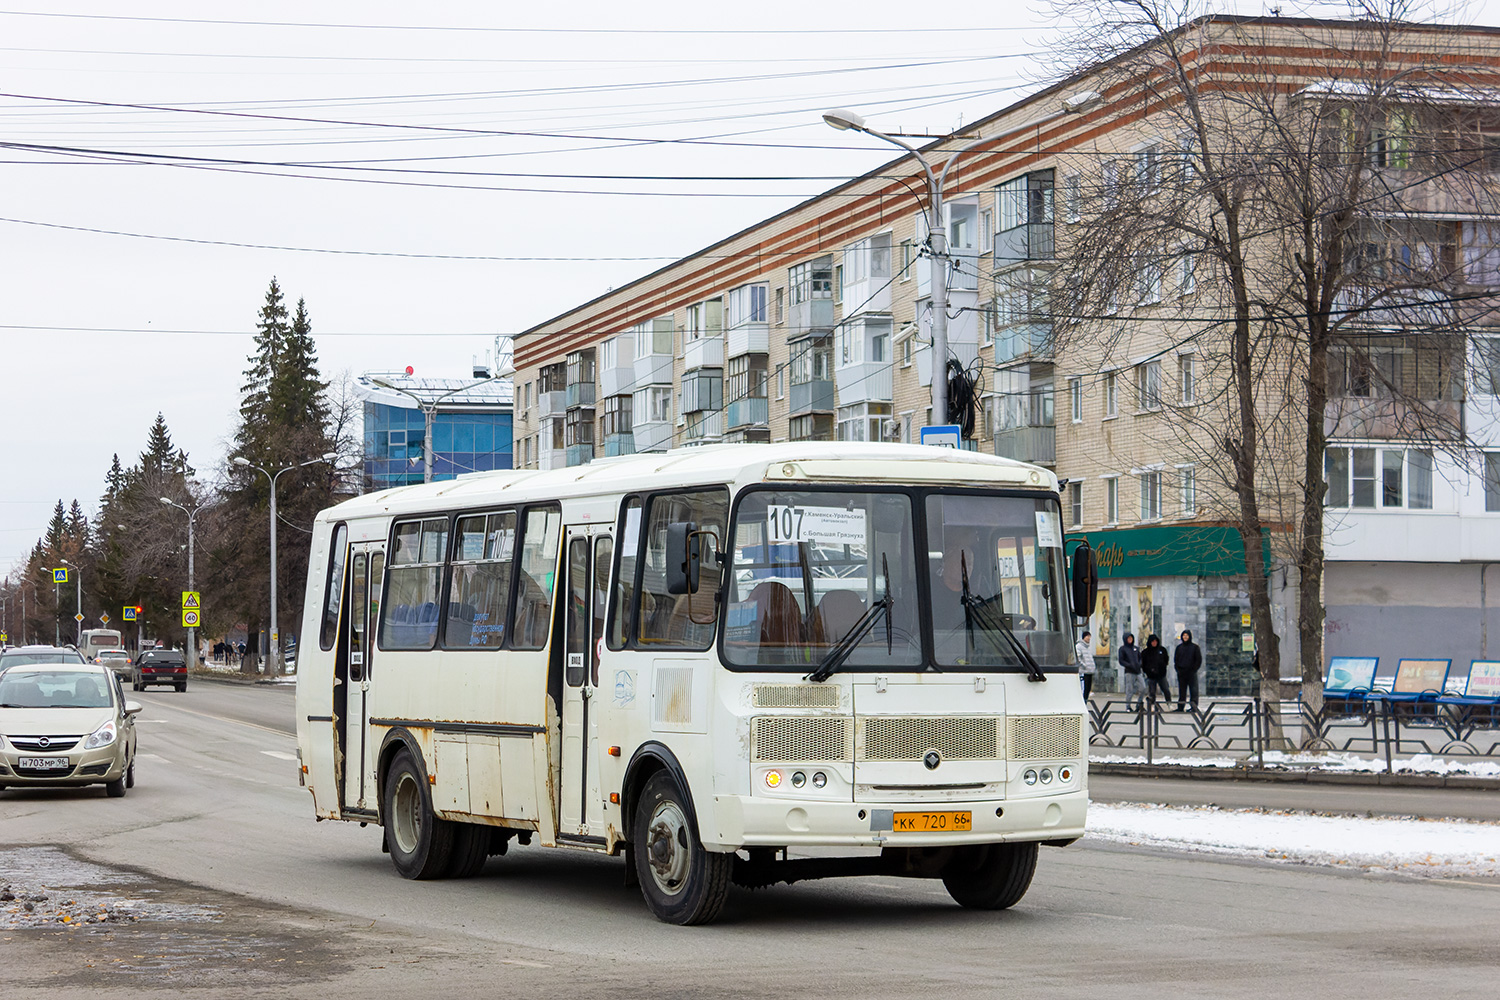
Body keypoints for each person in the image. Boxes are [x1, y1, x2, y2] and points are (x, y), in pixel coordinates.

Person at [1174, 629, 1203, 711]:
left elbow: (1198, 660)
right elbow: (1176, 659)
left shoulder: (1195, 647)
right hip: (1182, 672)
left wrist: (1194, 669)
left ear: (1190, 637)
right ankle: (1180, 707)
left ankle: (1194, 707)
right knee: (1182, 691)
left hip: (1191, 672)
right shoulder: (1179, 648)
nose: (1185, 637)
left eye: (1187, 636)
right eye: (1184, 635)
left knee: (1193, 690)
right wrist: (1178, 669)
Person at [1140, 633, 1172, 707]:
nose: (1154, 643)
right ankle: (1151, 704)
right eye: (1152, 641)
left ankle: (1169, 703)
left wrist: (1163, 668)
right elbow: (1143, 663)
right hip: (1151, 676)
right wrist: (1147, 671)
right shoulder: (1145, 652)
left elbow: (1166, 659)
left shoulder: (1162, 650)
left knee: (1166, 689)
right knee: (1152, 692)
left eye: (1155, 641)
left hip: (1161, 675)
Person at [1118, 632, 1145, 710]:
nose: (1130, 640)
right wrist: (1129, 665)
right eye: (1128, 638)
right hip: (1129, 672)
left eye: (1131, 638)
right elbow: (1121, 660)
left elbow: (1140, 658)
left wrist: (1139, 664)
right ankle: (1128, 706)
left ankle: (1139, 704)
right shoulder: (1122, 649)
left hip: (1138, 671)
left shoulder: (1136, 648)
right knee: (1129, 690)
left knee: (1143, 688)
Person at [1076, 629, 1096, 700]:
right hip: (1083, 672)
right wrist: (1084, 665)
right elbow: (1077, 658)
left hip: (1089, 671)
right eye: (1087, 637)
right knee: (1084, 690)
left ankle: (1085, 703)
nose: (1088, 639)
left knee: (1087, 690)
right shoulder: (1079, 646)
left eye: (1089, 637)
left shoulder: (1087, 648)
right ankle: (1083, 703)